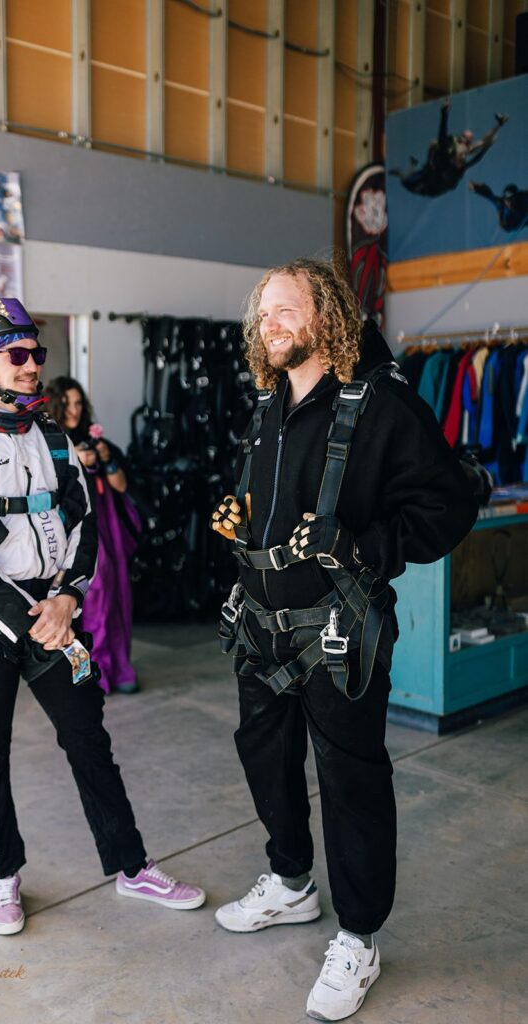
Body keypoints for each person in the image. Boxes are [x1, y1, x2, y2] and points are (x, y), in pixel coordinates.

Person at [210, 260, 478, 1021]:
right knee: (263, 755)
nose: (271, 324)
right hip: (260, 624)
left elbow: (447, 506)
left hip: (338, 629)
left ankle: (358, 935)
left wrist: (363, 547)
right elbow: (274, 499)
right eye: (263, 314)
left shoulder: (384, 404)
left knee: (351, 781)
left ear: (326, 312)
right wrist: (241, 510)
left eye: (286, 309)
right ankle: (290, 882)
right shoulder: (268, 402)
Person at [0, 298, 205, 936]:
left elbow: (84, 523)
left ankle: (130, 866)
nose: (31, 366)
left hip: (55, 609)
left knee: (89, 739)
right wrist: (32, 619)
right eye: (15, 355)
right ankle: (2, 875)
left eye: (36, 354)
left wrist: (69, 599)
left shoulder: (56, 440)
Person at [44, 376, 141, 695]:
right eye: (66, 404)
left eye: (78, 403)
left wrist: (105, 460)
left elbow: (122, 486)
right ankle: (85, 673)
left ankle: (118, 668)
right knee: (80, 606)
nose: (73, 410)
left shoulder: (96, 441)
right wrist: (75, 462)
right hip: (68, 535)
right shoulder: (48, 443)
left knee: (114, 598)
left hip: (105, 532)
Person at [389, 99, 508, 197]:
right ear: (461, 138)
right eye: (466, 140)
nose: (463, 156)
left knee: (414, 182)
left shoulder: (465, 152)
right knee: (407, 181)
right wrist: (430, 162)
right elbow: (436, 141)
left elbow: (482, 144)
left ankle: (410, 170)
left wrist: (498, 126)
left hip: (438, 183)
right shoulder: (452, 144)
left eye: (468, 141)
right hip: (433, 171)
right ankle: (407, 170)